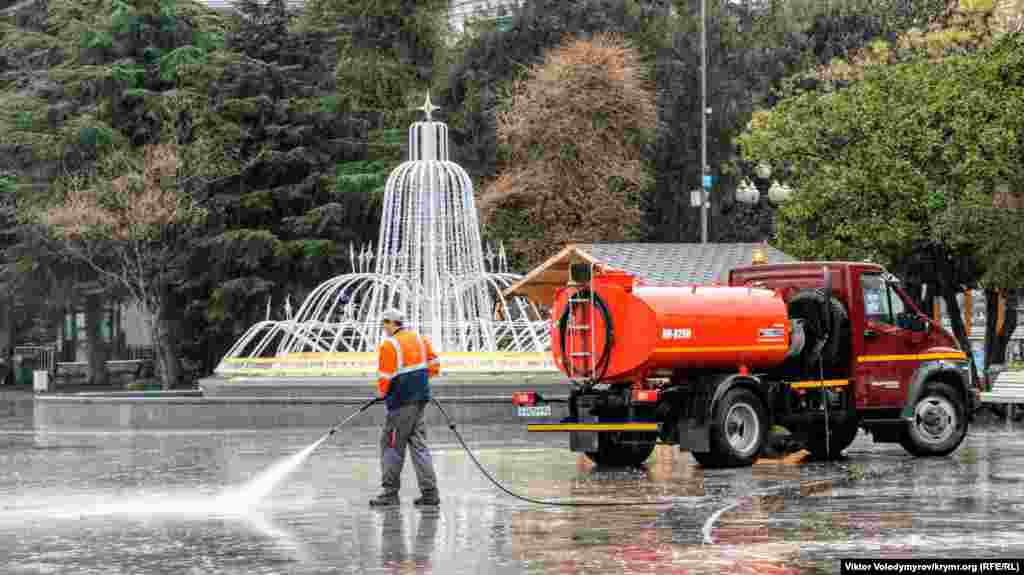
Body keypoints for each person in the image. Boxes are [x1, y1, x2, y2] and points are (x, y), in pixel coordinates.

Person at [370, 308, 441, 507]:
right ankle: (430, 493)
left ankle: (389, 493)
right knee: (419, 446)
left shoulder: (389, 345)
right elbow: (434, 365)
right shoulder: (419, 338)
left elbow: (385, 378)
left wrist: (382, 394)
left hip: (401, 404)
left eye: (385, 324)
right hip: (420, 401)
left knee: (391, 445)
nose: (383, 328)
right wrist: (419, 382)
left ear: (393, 323)